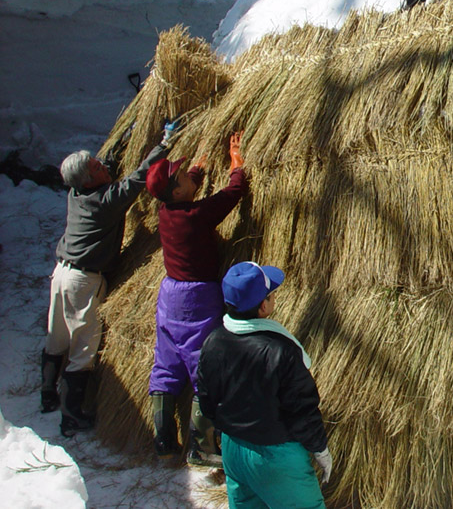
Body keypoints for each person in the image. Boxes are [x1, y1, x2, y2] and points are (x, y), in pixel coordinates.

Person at [41, 125, 173, 436]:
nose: (104, 168)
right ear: (88, 180)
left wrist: (113, 154)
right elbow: (138, 178)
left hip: (60, 274)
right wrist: (163, 145)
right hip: (83, 281)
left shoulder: (76, 194)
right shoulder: (106, 201)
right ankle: (72, 416)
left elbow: (107, 170)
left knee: (56, 337)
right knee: (82, 349)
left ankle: (47, 394)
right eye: (97, 168)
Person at [144, 132, 248, 463]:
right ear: (177, 191)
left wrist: (198, 170)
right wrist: (236, 164)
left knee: (166, 363)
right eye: (181, 176)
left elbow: (185, 188)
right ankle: (201, 448)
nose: (188, 174)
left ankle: (162, 440)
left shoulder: (166, 211)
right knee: (205, 365)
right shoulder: (196, 216)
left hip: (169, 295)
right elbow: (233, 193)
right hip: (197, 298)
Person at [198, 262, 332, 508]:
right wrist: (319, 448)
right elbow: (302, 409)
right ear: (263, 306)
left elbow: (206, 401)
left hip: (233, 449)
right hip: (276, 456)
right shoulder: (281, 351)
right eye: (271, 295)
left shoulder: (213, 341)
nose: (274, 299)